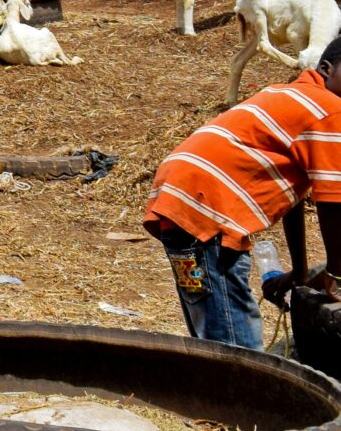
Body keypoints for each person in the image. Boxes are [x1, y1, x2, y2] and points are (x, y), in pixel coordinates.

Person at [143, 36, 341, 348]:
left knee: (211, 323)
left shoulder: (286, 94)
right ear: (327, 69)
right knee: (236, 344)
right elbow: (333, 204)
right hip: (207, 205)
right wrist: (337, 275)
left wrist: (299, 272)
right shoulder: (331, 110)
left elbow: (294, 198)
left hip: (180, 199)